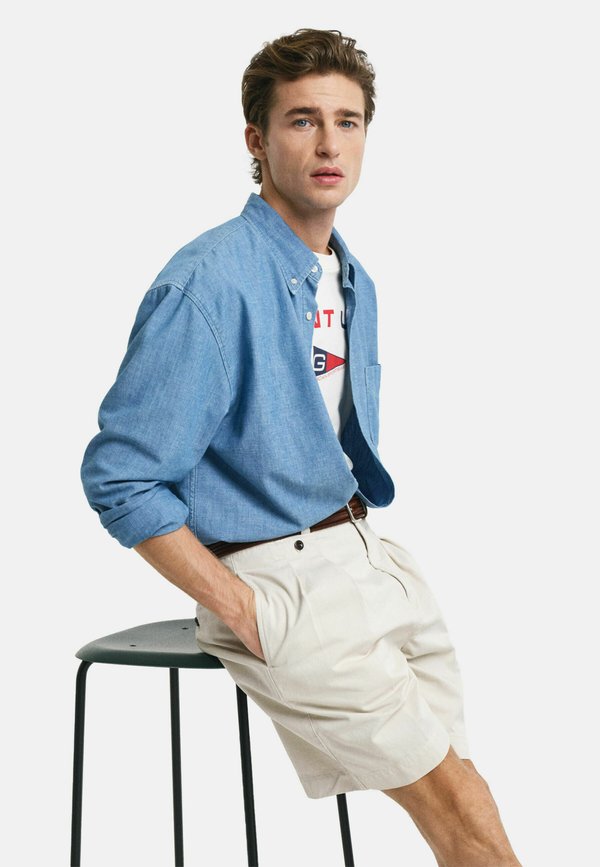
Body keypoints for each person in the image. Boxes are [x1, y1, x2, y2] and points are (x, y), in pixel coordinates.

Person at [80, 28, 521, 867]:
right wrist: (241, 606)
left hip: (365, 557)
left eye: (347, 122)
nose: (329, 144)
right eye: (302, 120)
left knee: (466, 794)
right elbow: (122, 475)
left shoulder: (350, 278)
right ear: (257, 139)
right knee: (460, 809)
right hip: (277, 580)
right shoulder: (210, 281)